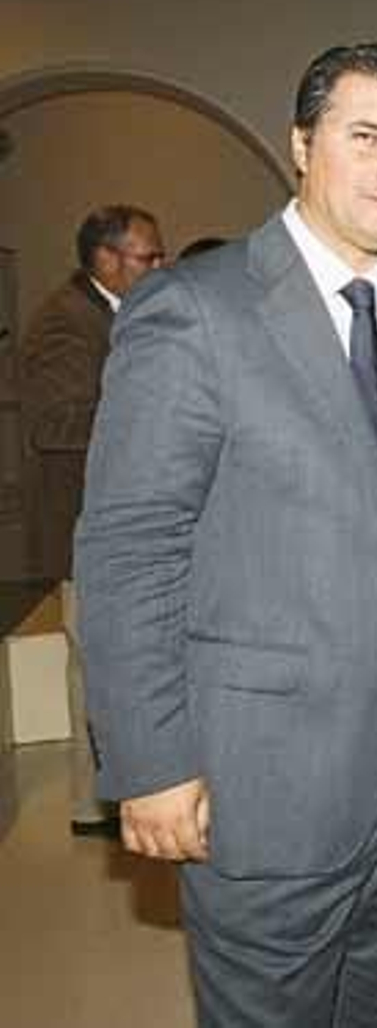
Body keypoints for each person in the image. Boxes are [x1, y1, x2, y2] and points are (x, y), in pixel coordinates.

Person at [75, 43, 377, 1026]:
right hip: (265, 778)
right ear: (302, 145)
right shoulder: (194, 310)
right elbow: (131, 551)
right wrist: (150, 761)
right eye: (366, 137)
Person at [18, 203, 164, 836]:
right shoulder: (64, 322)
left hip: (112, 526)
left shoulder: (110, 312)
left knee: (109, 668)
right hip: (85, 529)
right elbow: (54, 425)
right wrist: (149, 412)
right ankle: (93, 805)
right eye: (148, 257)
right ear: (106, 259)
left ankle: (106, 797)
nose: (160, 266)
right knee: (95, 671)